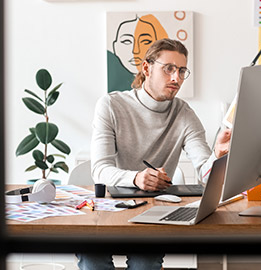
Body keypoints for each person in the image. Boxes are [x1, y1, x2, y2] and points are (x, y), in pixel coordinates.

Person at [77, 38, 230, 269]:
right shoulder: (110, 105)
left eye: (181, 70)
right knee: (91, 260)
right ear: (146, 68)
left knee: (145, 264)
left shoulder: (184, 114)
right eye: (168, 69)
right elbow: (100, 171)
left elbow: (205, 175)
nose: (176, 78)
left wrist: (218, 155)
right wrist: (136, 177)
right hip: (109, 213)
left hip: (153, 217)